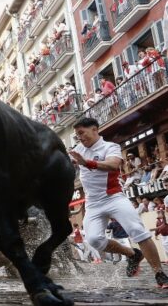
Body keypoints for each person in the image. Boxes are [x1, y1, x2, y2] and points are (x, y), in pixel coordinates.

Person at [69, 117, 167, 288]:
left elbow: (113, 165)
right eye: (77, 135)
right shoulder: (78, 149)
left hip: (113, 197)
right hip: (92, 203)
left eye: (82, 133)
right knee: (94, 240)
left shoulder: (110, 147)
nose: (80, 138)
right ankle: (132, 254)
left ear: (94, 129)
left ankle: (159, 273)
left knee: (137, 230)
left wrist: (87, 162)